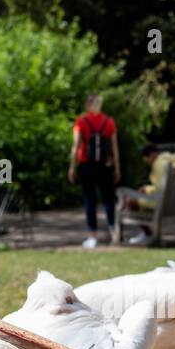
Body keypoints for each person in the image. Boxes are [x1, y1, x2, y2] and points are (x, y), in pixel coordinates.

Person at [69, 94, 121, 248]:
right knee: (108, 200)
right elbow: (115, 148)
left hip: (87, 166)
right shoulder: (109, 122)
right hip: (105, 166)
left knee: (90, 200)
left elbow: (76, 145)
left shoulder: (81, 121)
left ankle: (92, 236)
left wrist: (72, 166)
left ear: (87, 105)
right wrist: (117, 168)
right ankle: (114, 233)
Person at [125, 143, 175, 245]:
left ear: (151, 155)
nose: (148, 162)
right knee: (141, 199)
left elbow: (161, 189)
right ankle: (147, 234)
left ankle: (147, 234)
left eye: (147, 159)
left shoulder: (159, 164)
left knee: (130, 201)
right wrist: (148, 189)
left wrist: (146, 189)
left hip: (165, 203)